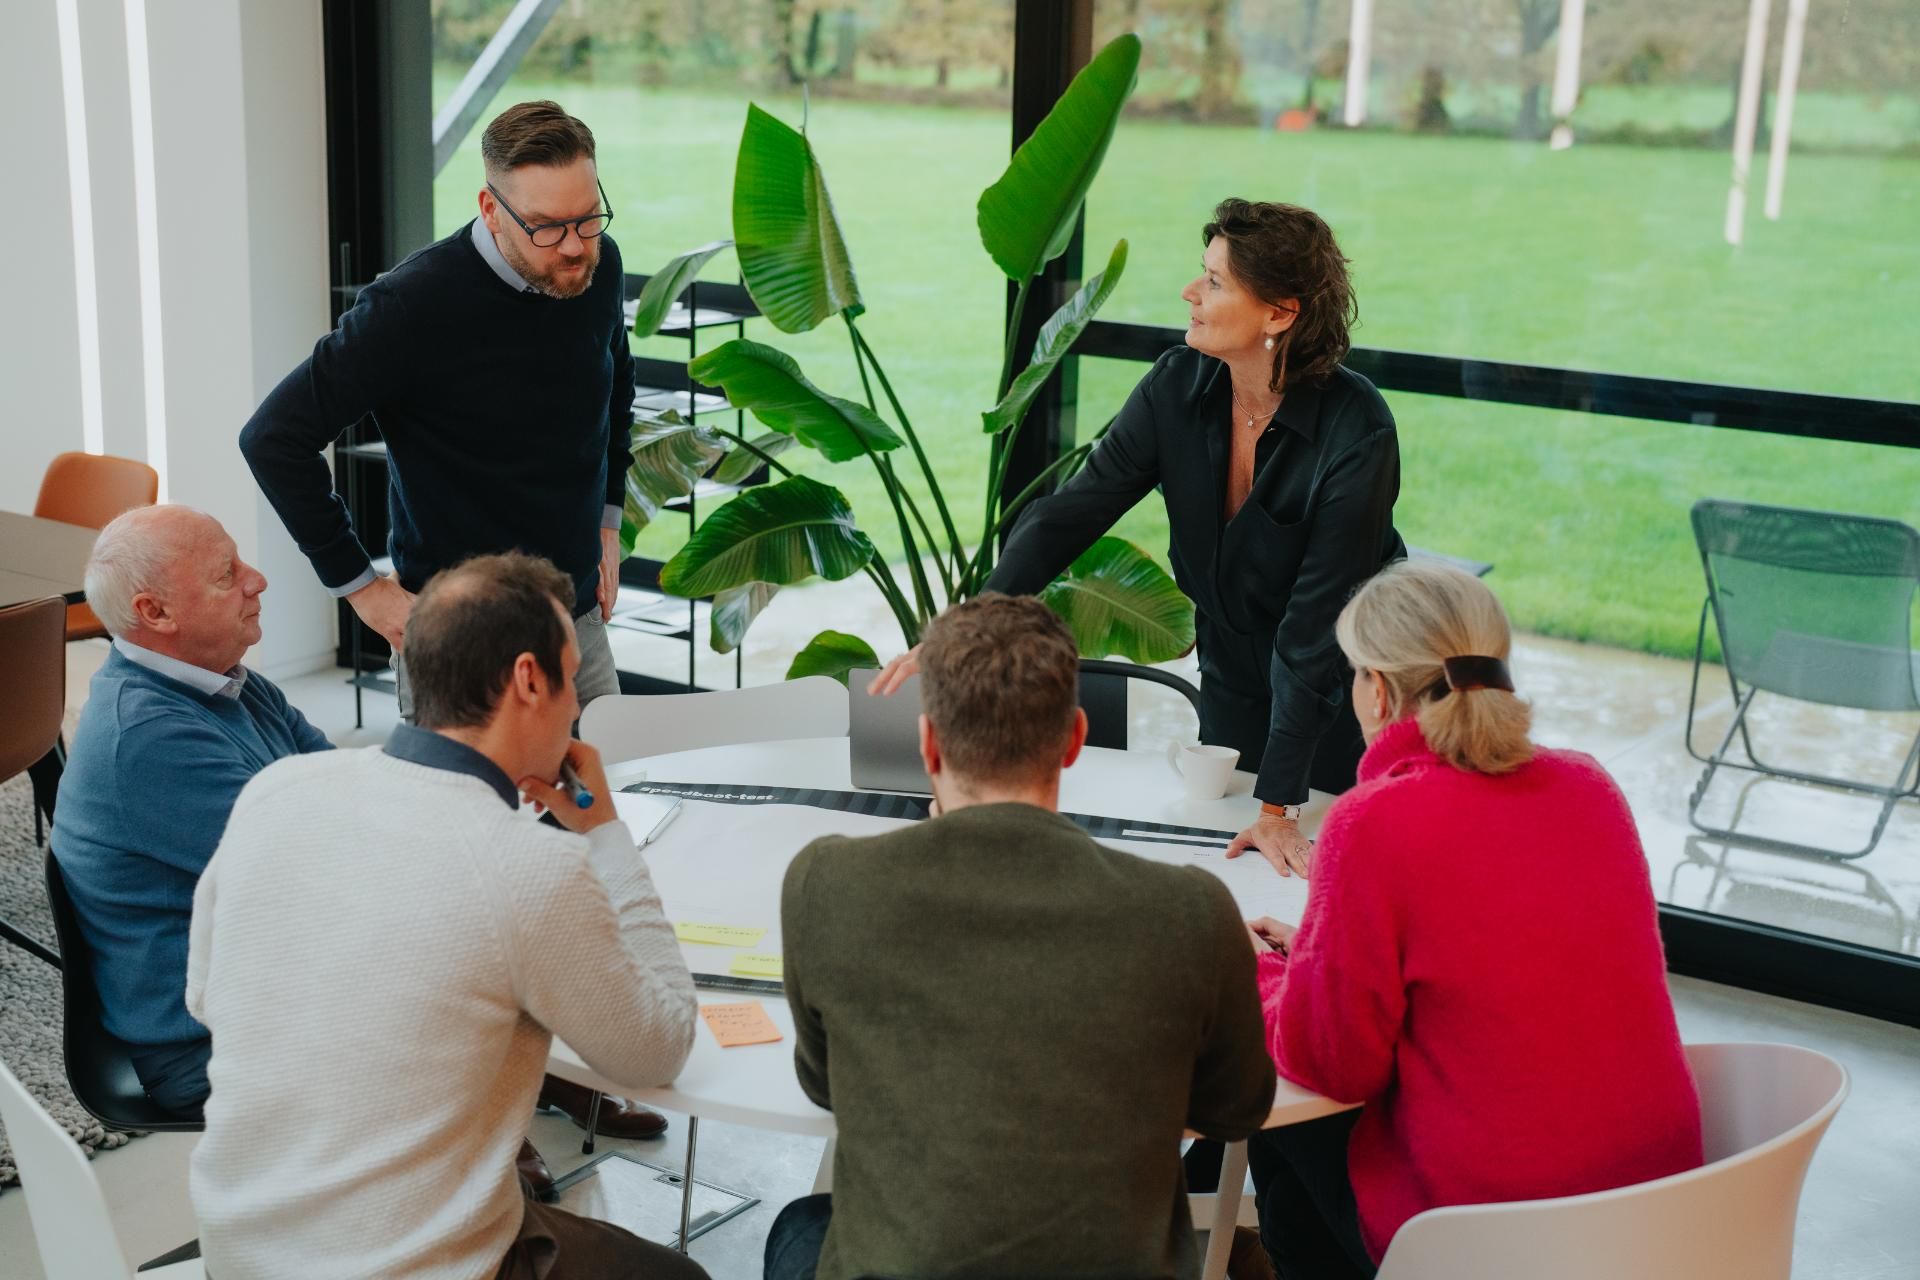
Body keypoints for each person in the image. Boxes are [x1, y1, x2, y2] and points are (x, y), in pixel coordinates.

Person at [186, 552, 705, 1280]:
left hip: (241, 1255)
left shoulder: (277, 790)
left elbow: (204, 996)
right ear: (530, 680)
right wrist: (606, 835)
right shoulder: (529, 869)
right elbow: (659, 1049)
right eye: (571, 676)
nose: (577, 704)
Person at [872, 199, 1404, 882]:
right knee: (1234, 860)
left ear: (1280, 313)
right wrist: (960, 629)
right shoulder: (1176, 389)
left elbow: (1314, 632)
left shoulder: (1357, 432)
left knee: (1322, 867)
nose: (1190, 292)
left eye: (1214, 282)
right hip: (1235, 668)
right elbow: (1069, 513)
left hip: (1352, 689)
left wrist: (1279, 805)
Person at [766, 593, 1277, 1280]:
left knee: (801, 1226)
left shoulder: (825, 884)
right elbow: (1238, 1106)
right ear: (1074, 738)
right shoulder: (1192, 910)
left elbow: (827, 1086)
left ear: (927, 744)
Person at [1243, 560, 1702, 1278]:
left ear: (1380, 690)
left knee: (1270, 1115)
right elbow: (1501, 967)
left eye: (1355, 674)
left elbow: (1331, 1062)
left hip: (1491, 1238)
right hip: (1654, 1216)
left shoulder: (1373, 822)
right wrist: (1319, 956)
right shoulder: (1589, 785)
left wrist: (1270, 977)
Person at [241, 98, 633, 722]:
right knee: (464, 817)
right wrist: (364, 591)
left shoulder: (597, 265)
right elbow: (273, 438)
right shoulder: (408, 307)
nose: (573, 247)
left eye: (588, 219)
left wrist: (608, 519)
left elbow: (616, 386)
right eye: (547, 227)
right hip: (460, 637)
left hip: (577, 620)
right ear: (490, 209)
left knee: (601, 806)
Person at [52, 505, 332, 1120]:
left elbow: (340, 785)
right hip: (202, 1042)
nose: (257, 580)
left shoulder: (227, 680)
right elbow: (318, 870)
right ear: (156, 612)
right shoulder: (148, 737)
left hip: (264, 983)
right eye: (226, 573)